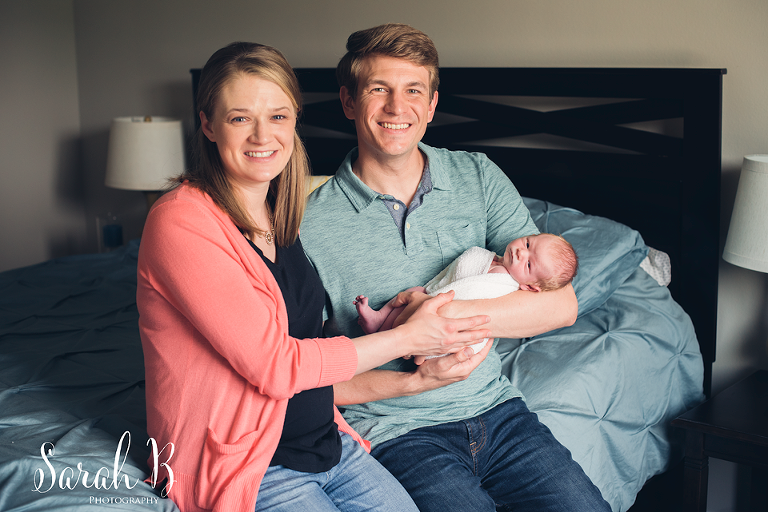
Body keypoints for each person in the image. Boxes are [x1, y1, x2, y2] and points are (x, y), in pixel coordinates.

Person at [136, 41, 491, 512]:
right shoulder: (180, 220)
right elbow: (275, 366)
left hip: (328, 444)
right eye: (240, 118)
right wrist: (408, 337)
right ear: (208, 124)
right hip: (247, 462)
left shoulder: (282, 214)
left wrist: (412, 369)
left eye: (278, 116)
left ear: (294, 122)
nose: (262, 135)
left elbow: (312, 347)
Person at [299, 24, 612, 512]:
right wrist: (414, 371)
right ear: (348, 101)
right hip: (395, 430)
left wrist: (438, 318)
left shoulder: (477, 176)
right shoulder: (307, 223)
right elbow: (303, 374)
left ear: (431, 105)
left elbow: (560, 304)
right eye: (379, 89)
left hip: (497, 411)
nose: (396, 108)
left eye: (413, 91)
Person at [354, 234, 579, 356]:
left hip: (442, 321)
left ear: (530, 287)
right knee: (414, 292)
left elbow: (469, 295)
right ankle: (379, 317)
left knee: (414, 303)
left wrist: (438, 306)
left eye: (528, 264)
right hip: (430, 297)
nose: (521, 252)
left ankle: (379, 332)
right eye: (528, 243)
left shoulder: (504, 284)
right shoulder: (492, 259)